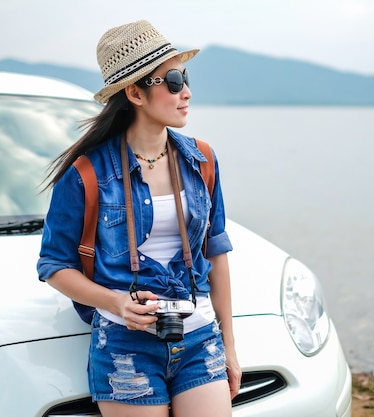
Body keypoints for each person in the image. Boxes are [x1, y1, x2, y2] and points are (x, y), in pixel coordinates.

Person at [37, 20, 241, 417]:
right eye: (174, 80)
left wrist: (229, 345)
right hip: (125, 345)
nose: (187, 92)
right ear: (135, 92)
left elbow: (216, 252)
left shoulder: (202, 160)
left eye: (185, 78)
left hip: (200, 337)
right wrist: (116, 302)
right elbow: (54, 266)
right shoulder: (85, 175)